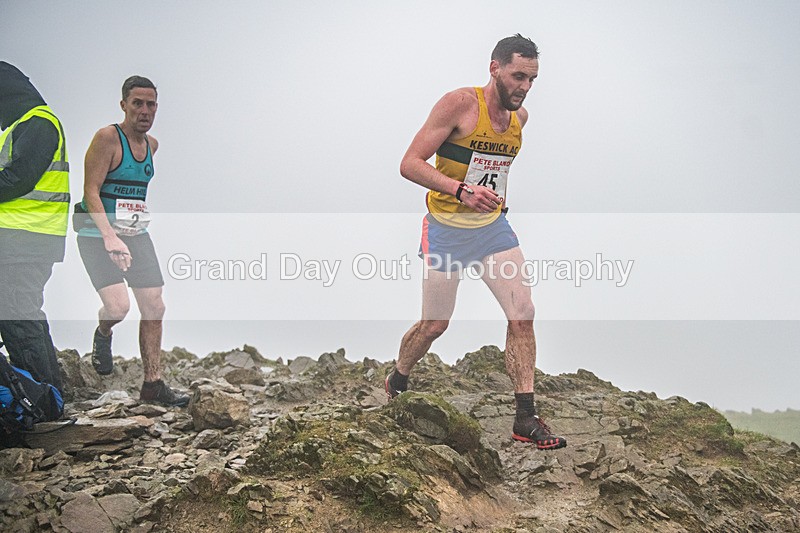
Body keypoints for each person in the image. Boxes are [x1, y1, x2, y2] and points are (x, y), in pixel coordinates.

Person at [387, 35, 566, 450]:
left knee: (523, 313)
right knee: (435, 324)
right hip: (446, 228)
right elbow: (409, 164)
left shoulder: (521, 119)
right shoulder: (460, 104)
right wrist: (460, 190)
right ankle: (398, 377)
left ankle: (525, 417)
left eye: (532, 79)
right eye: (518, 75)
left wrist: (488, 195)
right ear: (495, 69)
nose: (524, 86)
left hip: (490, 229)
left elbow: (492, 168)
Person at [76, 76, 188, 407]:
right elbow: (90, 192)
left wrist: (127, 233)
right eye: (137, 103)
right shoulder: (107, 138)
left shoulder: (152, 146)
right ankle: (104, 332)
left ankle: (153, 384)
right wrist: (110, 238)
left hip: (136, 235)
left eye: (150, 104)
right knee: (118, 307)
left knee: (155, 305)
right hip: (97, 234)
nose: (144, 110)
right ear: (123, 104)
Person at [0, 62, 69, 392]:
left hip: (25, 239)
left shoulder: (38, 123)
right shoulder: (28, 124)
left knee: (18, 317)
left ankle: (40, 404)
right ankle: (46, 396)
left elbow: (17, 179)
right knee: (22, 314)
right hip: (27, 238)